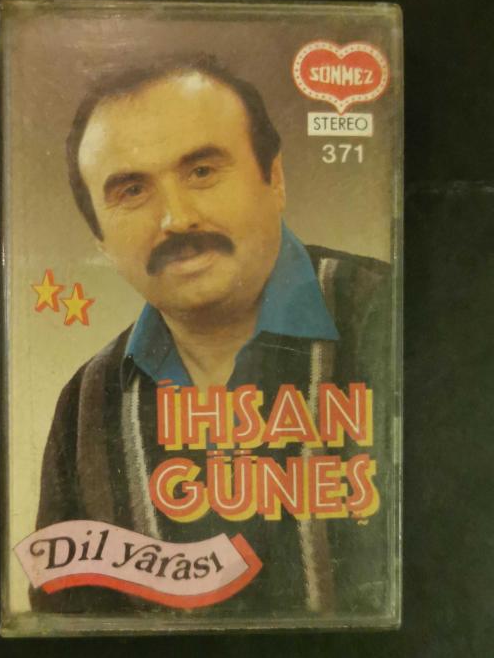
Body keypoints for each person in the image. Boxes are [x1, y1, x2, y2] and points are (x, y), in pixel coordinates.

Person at [31, 53, 392, 617]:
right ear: (100, 240)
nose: (176, 219)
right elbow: (66, 625)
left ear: (275, 179)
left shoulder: (390, 316)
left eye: (201, 171)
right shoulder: (86, 403)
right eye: (131, 190)